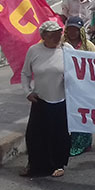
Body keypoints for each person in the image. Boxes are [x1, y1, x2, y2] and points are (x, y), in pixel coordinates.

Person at [20, 21, 71, 178]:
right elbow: (25, 73)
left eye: (58, 34)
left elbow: (80, 70)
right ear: (43, 36)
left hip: (61, 101)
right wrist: (27, 91)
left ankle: (58, 164)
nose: (56, 38)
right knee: (35, 135)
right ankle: (35, 165)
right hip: (40, 100)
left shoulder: (66, 50)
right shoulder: (34, 50)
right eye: (52, 35)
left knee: (59, 135)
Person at [61, 16, 95, 156]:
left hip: (84, 86)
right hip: (66, 85)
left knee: (83, 114)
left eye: (76, 29)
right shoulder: (61, 44)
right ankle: (71, 140)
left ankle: (83, 143)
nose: (73, 32)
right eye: (70, 29)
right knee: (70, 114)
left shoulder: (88, 45)